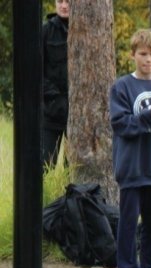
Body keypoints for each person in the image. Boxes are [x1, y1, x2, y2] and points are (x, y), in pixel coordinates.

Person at [110, 29, 151, 268]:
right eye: (143, 54)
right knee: (129, 224)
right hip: (131, 167)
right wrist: (149, 113)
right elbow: (121, 124)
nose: (148, 60)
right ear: (133, 55)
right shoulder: (122, 87)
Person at [40, 0, 70, 166]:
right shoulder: (45, 31)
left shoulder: (86, 31)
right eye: (60, 1)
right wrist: (54, 98)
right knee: (45, 165)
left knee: (74, 168)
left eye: (69, 1)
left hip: (79, 113)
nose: (64, 5)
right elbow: (36, 71)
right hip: (51, 111)